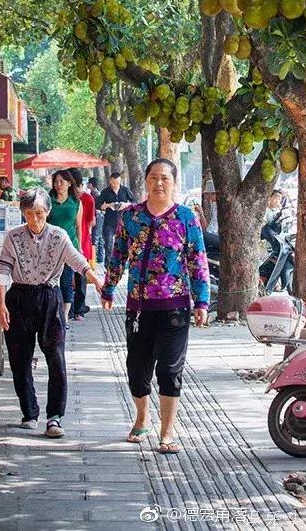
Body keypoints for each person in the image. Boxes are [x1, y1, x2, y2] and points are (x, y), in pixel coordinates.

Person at [101, 158, 210, 454]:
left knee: (170, 370)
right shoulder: (130, 217)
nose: (158, 183)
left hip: (175, 306)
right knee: (137, 368)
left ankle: (167, 432)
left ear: (173, 182)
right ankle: (141, 417)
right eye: (153, 177)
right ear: (145, 181)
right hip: (138, 305)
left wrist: (202, 301)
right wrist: (109, 288)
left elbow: (197, 261)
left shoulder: (186, 218)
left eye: (165, 178)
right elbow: (117, 255)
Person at [0, 188, 102, 438]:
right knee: (19, 360)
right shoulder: (13, 237)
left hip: (49, 297)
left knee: (56, 357)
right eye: (30, 214)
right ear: (23, 213)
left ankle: (54, 417)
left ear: (48, 212)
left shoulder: (59, 236)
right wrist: (1, 303)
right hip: (18, 298)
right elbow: (2, 269)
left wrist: (92, 276)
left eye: (40, 213)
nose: (35, 219)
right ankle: (29, 412)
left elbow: (75, 259)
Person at [48, 170, 83, 326]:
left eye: (62, 181)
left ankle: (64, 316)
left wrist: (80, 248)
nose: (59, 184)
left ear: (70, 183)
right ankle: (51, 313)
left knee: (66, 282)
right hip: (50, 247)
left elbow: (78, 227)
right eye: (56, 181)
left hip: (70, 247)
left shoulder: (76, 202)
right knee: (50, 282)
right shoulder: (48, 201)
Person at [69, 168, 95, 317]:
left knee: (81, 276)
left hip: (83, 240)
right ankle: (70, 308)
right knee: (66, 276)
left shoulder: (87, 199)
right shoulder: (63, 199)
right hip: (68, 241)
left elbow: (91, 222)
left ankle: (79, 308)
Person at [96, 172, 134, 268]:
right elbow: (98, 205)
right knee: (108, 245)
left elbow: (134, 202)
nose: (115, 185)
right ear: (110, 181)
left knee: (123, 244)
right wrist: (108, 205)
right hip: (109, 221)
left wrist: (126, 205)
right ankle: (108, 266)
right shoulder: (105, 191)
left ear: (120, 181)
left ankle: (123, 265)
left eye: (117, 183)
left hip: (123, 221)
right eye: (113, 182)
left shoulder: (125, 190)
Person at [87, 178, 105, 263]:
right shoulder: (95, 193)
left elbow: (95, 207)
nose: (87, 184)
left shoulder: (95, 194)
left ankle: (94, 258)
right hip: (99, 216)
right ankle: (100, 258)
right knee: (99, 237)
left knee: (95, 237)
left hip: (97, 216)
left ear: (91, 184)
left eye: (88, 183)